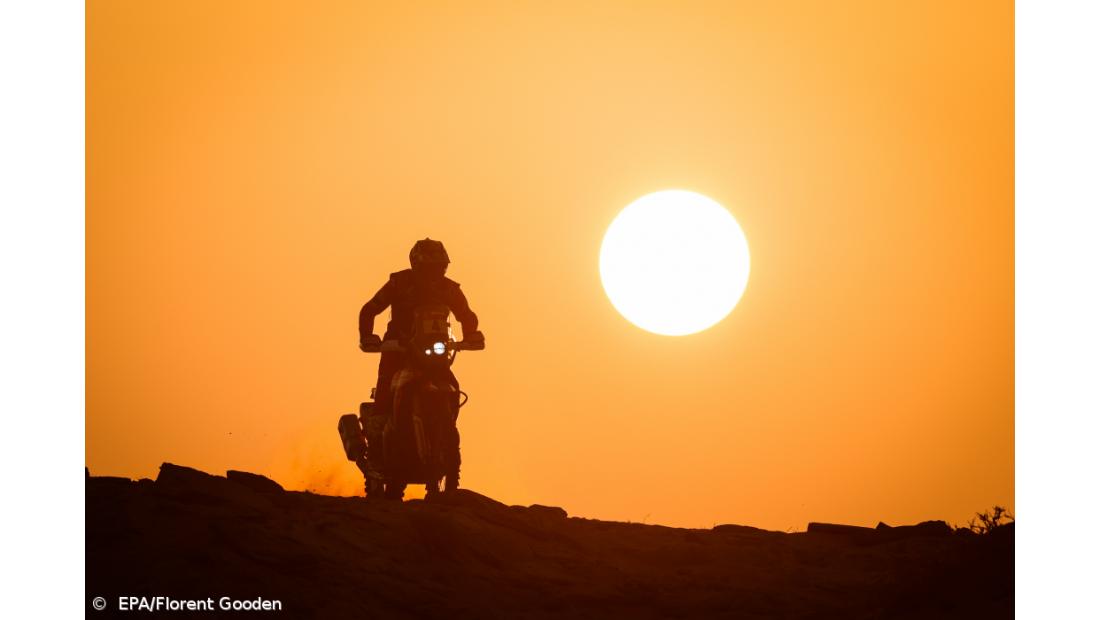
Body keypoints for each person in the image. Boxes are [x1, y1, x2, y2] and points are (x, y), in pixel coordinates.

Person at [357, 238, 484, 491]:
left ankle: (444, 453)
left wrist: (471, 335)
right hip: (399, 348)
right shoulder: (399, 283)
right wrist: (367, 337)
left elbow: (466, 314)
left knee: (453, 387)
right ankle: (376, 452)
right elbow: (369, 309)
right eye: (430, 268)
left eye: (440, 268)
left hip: (435, 352)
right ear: (417, 266)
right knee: (384, 392)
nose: (435, 274)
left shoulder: (449, 289)